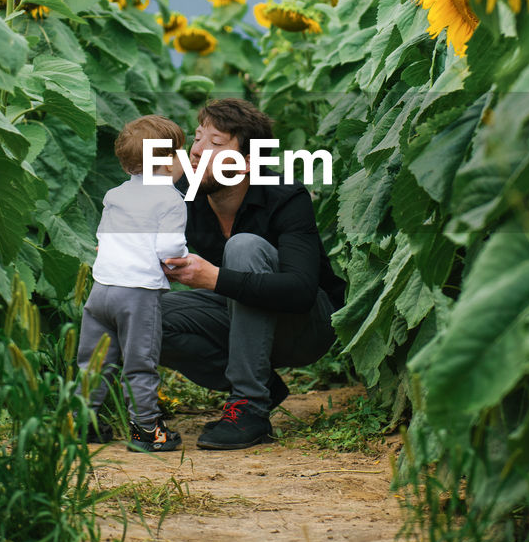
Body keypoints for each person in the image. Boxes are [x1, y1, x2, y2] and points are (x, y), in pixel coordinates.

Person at [161, 99, 345, 450]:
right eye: (197, 137)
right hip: (239, 314)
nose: (196, 150)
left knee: (245, 247)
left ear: (245, 163)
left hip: (306, 326)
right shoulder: (184, 193)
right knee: (144, 318)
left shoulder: (284, 196)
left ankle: (249, 406)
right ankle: (264, 386)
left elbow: (302, 290)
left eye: (215, 143)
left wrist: (215, 279)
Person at [76, 114, 188, 453]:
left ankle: (81, 423)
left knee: (92, 362)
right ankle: (145, 430)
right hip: (136, 295)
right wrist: (179, 261)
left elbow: (102, 237)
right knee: (139, 363)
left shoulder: (115, 195)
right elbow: (169, 250)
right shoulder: (170, 200)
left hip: (100, 290)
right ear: (167, 164)